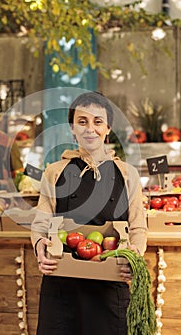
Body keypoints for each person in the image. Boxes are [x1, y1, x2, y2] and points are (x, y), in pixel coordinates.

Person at [30, 91, 147, 335]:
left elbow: (138, 227)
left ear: (108, 127)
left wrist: (134, 254)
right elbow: (41, 221)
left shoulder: (127, 174)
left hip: (109, 283)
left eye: (97, 122)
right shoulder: (54, 171)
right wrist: (40, 244)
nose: (90, 129)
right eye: (82, 122)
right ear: (73, 128)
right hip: (62, 283)